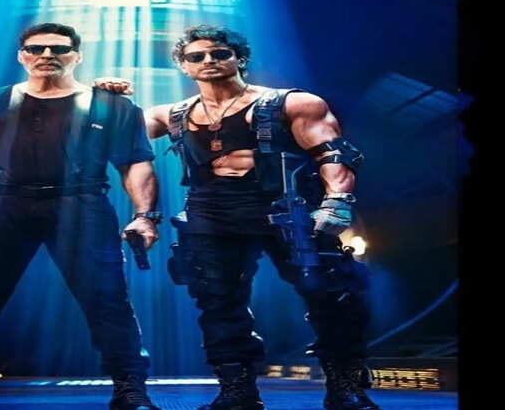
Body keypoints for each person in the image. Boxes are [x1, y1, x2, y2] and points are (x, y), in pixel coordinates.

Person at [95, 24, 378, 410]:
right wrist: (107, 99)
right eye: (196, 56)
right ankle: (237, 391)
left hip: (288, 209)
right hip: (211, 213)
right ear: (183, 66)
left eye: (219, 53)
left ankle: (346, 387)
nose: (208, 61)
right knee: (217, 303)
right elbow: (111, 136)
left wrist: (337, 200)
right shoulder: (172, 115)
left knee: (331, 293)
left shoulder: (293, 103)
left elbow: (333, 152)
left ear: (239, 58)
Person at [0, 23, 162, 410]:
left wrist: (144, 215)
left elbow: (135, 164)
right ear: (22, 56)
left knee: (107, 300)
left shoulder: (113, 106)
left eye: (59, 49)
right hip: (1, 203)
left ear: (76, 56)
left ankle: (130, 387)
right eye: (36, 48)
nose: (47, 55)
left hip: (81, 204)